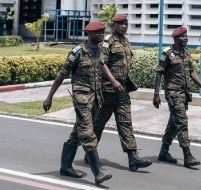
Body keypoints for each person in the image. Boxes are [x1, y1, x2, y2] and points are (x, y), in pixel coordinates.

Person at [43, 21, 120, 185]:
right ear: (89, 34)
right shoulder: (77, 52)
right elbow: (61, 75)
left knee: (77, 132)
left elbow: (102, 65)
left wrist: (113, 81)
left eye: (102, 32)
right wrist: (49, 97)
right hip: (81, 98)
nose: (101, 35)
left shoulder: (99, 50)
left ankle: (65, 167)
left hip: (96, 98)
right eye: (98, 33)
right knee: (87, 132)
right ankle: (98, 172)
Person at [91, 14, 152, 172]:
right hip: (108, 90)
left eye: (126, 24)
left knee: (126, 123)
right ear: (114, 26)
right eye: (121, 24)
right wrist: (113, 80)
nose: (124, 26)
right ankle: (90, 152)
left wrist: (121, 83)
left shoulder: (126, 42)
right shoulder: (108, 42)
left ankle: (133, 158)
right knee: (98, 124)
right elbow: (101, 62)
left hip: (122, 91)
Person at [153, 26, 201, 168]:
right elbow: (159, 74)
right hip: (173, 93)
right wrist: (156, 94)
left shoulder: (186, 53)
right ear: (175, 38)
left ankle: (163, 152)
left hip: (184, 94)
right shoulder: (167, 54)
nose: (185, 38)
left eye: (186, 36)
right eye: (182, 36)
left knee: (174, 124)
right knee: (182, 122)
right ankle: (187, 155)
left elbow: (192, 72)